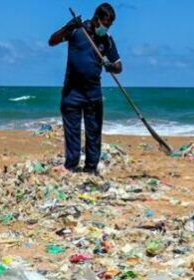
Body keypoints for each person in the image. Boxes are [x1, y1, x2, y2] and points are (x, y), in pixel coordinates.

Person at [49, 3, 122, 174]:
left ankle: (91, 167)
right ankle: (71, 165)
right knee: (72, 132)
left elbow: (119, 66)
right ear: (97, 19)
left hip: (93, 94)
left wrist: (109, 66)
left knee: (94, 133)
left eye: (109, 25)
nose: (106, 27)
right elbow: (52, 41)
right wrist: (67, 27)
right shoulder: (77, 31)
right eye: (105, 23)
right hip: (72, 92)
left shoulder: (107, 40)